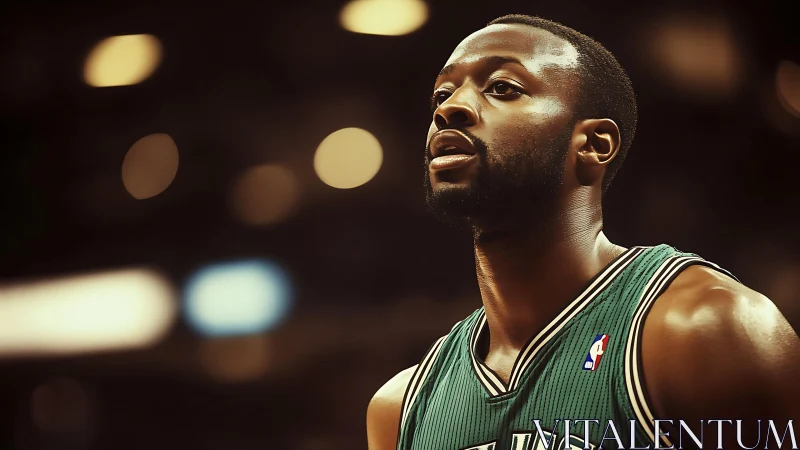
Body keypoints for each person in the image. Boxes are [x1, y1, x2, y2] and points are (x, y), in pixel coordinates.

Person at [366, 14, 800, 450]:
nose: (448, 108)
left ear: (593, 145)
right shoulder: (401, 407)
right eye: (442, 94)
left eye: (502, 88)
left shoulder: (704, 329)